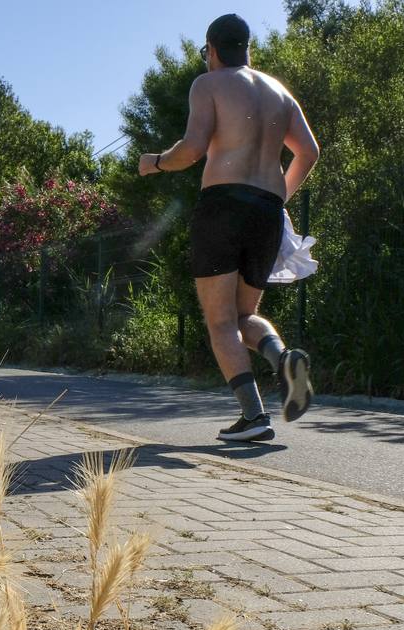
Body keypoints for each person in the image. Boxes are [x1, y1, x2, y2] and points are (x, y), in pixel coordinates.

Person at [140, 13, 319, 443]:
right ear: (248, 49)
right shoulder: (280, 92)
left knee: (220, 321)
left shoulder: (210, 84)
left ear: (213, 49)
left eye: (207, 53)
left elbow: (193, 149)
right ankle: (283, 360)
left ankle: (255, 417)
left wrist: (156, 162)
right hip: (267, 210)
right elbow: (308, 152)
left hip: (223, 206)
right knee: (244, 315)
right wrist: (278, 202)